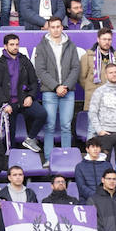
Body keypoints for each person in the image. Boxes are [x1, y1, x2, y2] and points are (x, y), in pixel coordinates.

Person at [34, 16, 81, 161]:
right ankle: (49, 159)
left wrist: (65, 86)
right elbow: (40, 70)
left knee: (66, 126)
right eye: (52, 27)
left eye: (58, 26)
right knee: (49, 126)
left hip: (68, 91)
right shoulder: (42, 46)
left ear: (62, 27)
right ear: (48, 28)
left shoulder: (70, 45)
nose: (55, 29)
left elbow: (76, 68)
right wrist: (56, 87)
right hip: (49, 92)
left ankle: (66, 158)